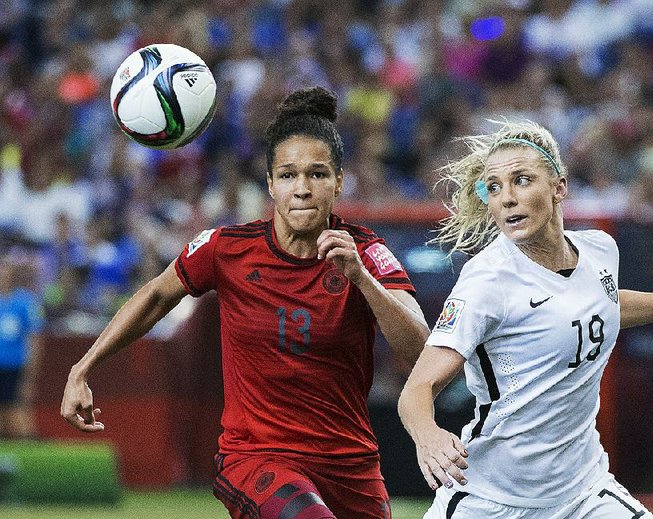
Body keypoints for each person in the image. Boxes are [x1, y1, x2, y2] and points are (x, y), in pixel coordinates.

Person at [61, 86, 430, 519]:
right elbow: (156, 296)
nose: (303, 189)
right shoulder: (226, 249)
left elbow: (422, 349)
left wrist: (362, 280)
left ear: (339, 181)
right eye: (289, 175)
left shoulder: (366, 253)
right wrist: (82, 367)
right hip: (257, 458)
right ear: (270, 184)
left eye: (317, 174)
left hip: (350, 463)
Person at [397, 120, 653, 519]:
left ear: (559, 187)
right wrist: (428, 436)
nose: (506, 198)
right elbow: (417, 389)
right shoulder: (487, 282)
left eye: (521, 180)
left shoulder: (599, 249)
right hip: (493, 499)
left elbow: (601, 305)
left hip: (583, 492)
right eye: (493, 186)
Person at [0, 256, 44, 439]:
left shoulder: (26, 302)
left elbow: (35, 339)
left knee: (17, 411)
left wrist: (30, 376)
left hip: (15, 367)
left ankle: (29, 452)